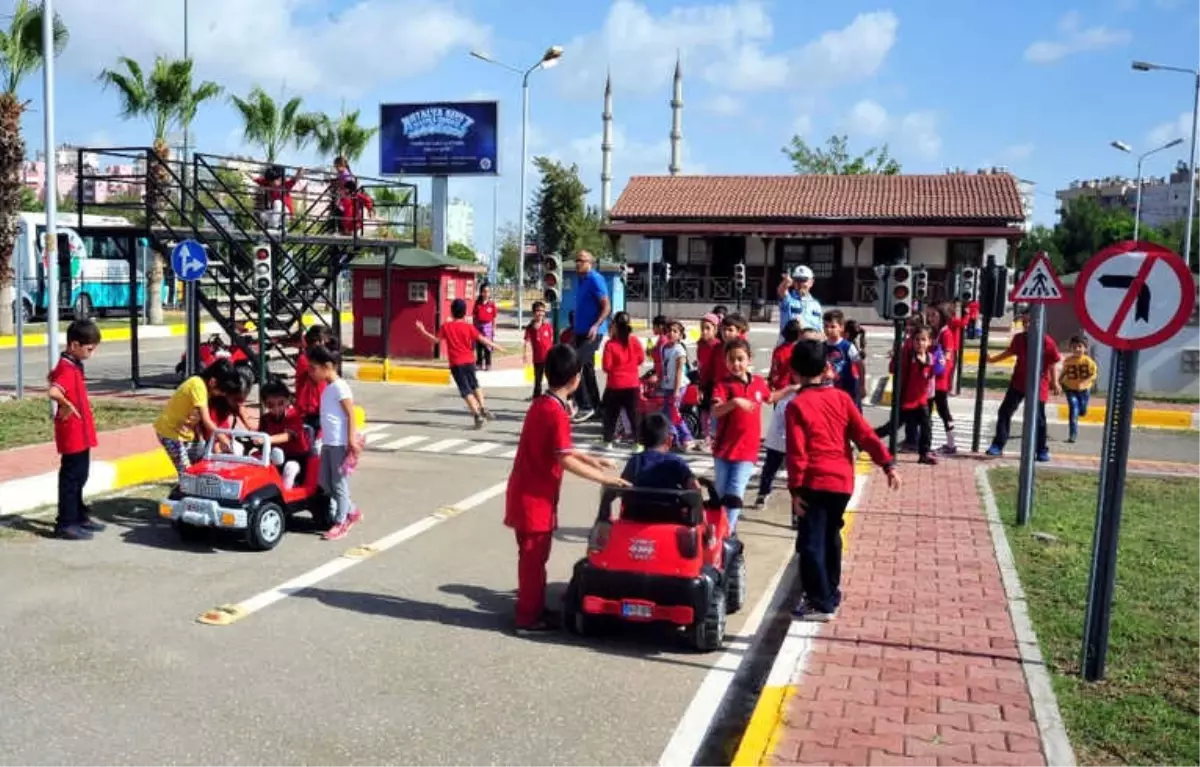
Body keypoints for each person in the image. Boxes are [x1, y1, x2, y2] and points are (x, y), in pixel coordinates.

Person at [504, 345, 628, 634]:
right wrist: (603, 479)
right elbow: (564, 457)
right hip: (535, 499)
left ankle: (533, 607)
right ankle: (527, 618)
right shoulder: (555, 412)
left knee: (533, 558)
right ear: (575, 379)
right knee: (534, 560)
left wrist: (592, 460)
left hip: (527, 493)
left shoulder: (542, 404)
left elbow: (562, 450)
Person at [786, 339, 900, 621]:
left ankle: (820, 601)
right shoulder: (842, 398)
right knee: (831, 535)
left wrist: (795, 490)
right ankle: (832, 591)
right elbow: (865, 435)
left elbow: (797, 453)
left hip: (814, 482)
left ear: (795, 372)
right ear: (826, 367)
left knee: (811, 543)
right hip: (841, 483)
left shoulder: (797, 405)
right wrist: (887, 464)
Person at [48, 320, 103, 541]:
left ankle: (79, 515)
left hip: (81, 432)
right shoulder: (66, 368)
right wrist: (67, 405)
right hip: (72, 433)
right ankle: (66, 522)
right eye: (89, 349)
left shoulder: (73, 365)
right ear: (74, 345)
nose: (91, 353)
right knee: (71, 477)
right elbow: (54, 391)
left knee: (81, 475)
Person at [711, 338, 770, 531]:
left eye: (740, 359)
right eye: (731, 360)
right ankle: (722, 529)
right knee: (721, 493)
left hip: (747, 451)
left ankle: (727, 533)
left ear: (749, 360)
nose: (736, 364)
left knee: (735, 492)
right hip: (724, 450)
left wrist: (794, 388)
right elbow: (715, 411)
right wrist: (735, 402)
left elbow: (771, 396)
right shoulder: (723, 385)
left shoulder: (760, 383)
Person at [415, 298, 502, 429]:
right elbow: (482, 339)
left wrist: (422, 331)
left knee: (465, 390)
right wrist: (496, 346)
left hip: (456, 363)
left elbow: (435, 341)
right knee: (475, 384)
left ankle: (477, 415)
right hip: (469, 361)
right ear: (464, 312)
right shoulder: (469, 327)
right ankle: (483, 407)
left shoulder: (446, 326)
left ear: (452, 311)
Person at [154, 358, 246, 477]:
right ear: (213, 382)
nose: (222, 395)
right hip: (170, 433)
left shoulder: (203, 389)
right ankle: (185, 490)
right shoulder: (197, 386)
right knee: (187, 473)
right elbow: (206, 420)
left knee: (200, 469)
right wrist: (223, 438)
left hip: (185, 434)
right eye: (222, 391)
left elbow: (197, 417)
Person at [308, 344, 362, 541]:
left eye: (314, 368)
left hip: (340, 443)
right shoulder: (329, 388)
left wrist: (350, 439)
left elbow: (350, 414)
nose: (311, 373)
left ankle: (341, 522)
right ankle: (351, 510)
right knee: (324, 482)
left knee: (339, 484)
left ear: (327, 366)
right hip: (329, 442)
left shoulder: (340, 387)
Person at [985, 324, 1062, 460]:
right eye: (1025, 322)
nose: (1027, 325)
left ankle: (1041, 450)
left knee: (1038, 418)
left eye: (1030, 322)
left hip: (1039, 384)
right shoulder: (1019, 338)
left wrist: (1055, 382)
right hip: (1018, 382)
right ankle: (998, 445)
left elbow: (1053, 362)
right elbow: (1009, 352)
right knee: (1004, 412)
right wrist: (992, 359)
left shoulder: (1047, 341)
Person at [874, 326, 938, 465]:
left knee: (927, 426)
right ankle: (868, 439)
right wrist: (897, 356)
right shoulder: (907, 356)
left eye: (923, 340)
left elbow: (933, 374)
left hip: (921, 401)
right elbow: (892, 369)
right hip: (905, 401)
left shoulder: (930, 357)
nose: (920, 343)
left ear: (929, 342)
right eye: (917, 340)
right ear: (911, 341)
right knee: (891, 427)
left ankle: (924, 453)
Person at [570, 250, 611, 422]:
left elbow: (606, 306)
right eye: (576, 260)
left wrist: (596, 325)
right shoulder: (581, 280)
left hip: (593, 333)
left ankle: (585, 406)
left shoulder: (595, 279)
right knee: (587, 370)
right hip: (580, 332)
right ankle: (597, 408)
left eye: (581, 260)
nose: (577, 263)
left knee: (575, 364)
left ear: (590, 262)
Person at [622, 413, 700, 490]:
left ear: (640, 440)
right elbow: (695, 487)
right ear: (669, 440)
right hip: (669, 502)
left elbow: (623, 486)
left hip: (637, 502)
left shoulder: (634, 461)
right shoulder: (676, 462)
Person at [601, 311, 645, 449]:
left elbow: (606, 367)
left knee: (611, 415)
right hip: (632, 384)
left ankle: (608, 441)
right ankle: (638, 443)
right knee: (634, 415)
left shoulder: (610, 344)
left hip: (615, 385)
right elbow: (641, 359)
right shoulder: (634, 341)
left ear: (615, 325)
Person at [260, 380, 312, 489]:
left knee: (290, 468)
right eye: (270, 405)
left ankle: (285, 497)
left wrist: (267, 439)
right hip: (275, 457)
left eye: (280, 403)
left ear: (288, 401)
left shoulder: (293, 416)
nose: (276, 408)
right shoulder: (266, 419)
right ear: (265, 404)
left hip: (296, 458)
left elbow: (287, 436)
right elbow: (260, 435)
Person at [926, 303, 963, 454]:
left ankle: (950, 444)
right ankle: (927, 442)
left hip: (939, 380)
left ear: (942, 316)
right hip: (933, 378)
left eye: (933, 315)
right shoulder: (936, 332)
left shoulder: (946, 333)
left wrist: (936, 364)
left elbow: (948, 355)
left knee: (942, 411)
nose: (930, 318)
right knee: (929, 411)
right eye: (929, 315)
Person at [658, 320, 695, 451]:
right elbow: (665, 368)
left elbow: (680, 370)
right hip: (668, 385)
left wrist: (677, 391)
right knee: (667, 413)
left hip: (678, 386)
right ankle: (674, 438)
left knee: (673, 412)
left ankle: (687, 438)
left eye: (675, 331)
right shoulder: (664, 348)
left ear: (680, 335)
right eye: (669, 331)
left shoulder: (679, 350)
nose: (671, 333)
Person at [295, 325, 336, 434]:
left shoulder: (313, 359)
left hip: (319, 407)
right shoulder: (306, 360)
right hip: (310, 409)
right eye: (325, 342)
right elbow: (317, 380)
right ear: (318, 341)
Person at [1059, 336, 1098, 443]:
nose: (1077, 349)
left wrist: (1086, 382)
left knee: (1082, 410)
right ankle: (1073, 435)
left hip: (1084, 390)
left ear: (1085, 348)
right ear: (1070, 348)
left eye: (1079, 346)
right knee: (1073, 410)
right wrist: (1059, 383)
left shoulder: (1088, 362)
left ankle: (1083, 410)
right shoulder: (1067, 361)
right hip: (1070, 389)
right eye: (1074, 347)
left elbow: (1093, 375)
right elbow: (1064, 373)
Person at [823, 310, 862, 409]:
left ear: (841, 327)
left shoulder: (848, 347)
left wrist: (862, 386)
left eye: (832, 326)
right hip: (829, 390)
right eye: (826, 326)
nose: (828, 330)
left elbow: (860, 366)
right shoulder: (821, 346)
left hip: (848, 389)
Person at [695, 313, 723, 446]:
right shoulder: (700, 345)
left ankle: (715, 437)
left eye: (708, 328)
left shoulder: (717, 346)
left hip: (715, 382)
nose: (704, 332)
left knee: (714, 411)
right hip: (704, 382)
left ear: (715, 329)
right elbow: (701, 364)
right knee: (703, 410)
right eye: (702, 328)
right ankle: (707, 437)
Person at [776, 265, 823, 339]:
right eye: (797, 280)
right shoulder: (788, 299)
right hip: (791, 345)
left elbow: (821, 329)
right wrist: (786, 283)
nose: (800, 284)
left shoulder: (816, 304)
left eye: (803, 280)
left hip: (811, 345)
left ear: (811, 282)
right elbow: (781, 291)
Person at [252, 164, 303, 231]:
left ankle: (274, 227)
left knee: (277, 202)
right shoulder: (268, 183)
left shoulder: (286, 185)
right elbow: (255, 179)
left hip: (286, 213)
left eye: (273, 181)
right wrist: (243, 170)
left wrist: (300, 171)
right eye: (270, 182)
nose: (272, 184)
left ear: (280, 179)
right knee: (263, 215)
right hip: (276, 213)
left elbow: (296, 178)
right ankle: (279, 228)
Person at [523, 301, 555, 397]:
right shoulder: (530, 328)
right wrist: (525, 354)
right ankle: (536, 398)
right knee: (538, 380)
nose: (540, 313)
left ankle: (552, 396)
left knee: (551, 378)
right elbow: (527, 342)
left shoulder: (548, 327)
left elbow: (552, 340)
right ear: (533, 313)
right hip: (537, 359)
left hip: (549, 358)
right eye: (537, 311)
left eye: (542, 311)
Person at [769, 320, 802, 391]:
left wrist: (770, 382)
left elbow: (774, 370)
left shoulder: (778, 350)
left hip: (780, 386)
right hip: (795, 386)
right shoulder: (799, 349)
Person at [473, 283, 498, 371]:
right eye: (484, 291)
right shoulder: (477, 303)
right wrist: (474, 328)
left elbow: (494, 318)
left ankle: (488, 364)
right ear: (481, 292)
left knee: (487, 346)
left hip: (488, 328)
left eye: (488, 291)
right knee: (479, 347)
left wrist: (494, 329)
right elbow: (474, 316)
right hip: (478, 327)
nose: (486, 293)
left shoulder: (491, 304)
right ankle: (479, 364)